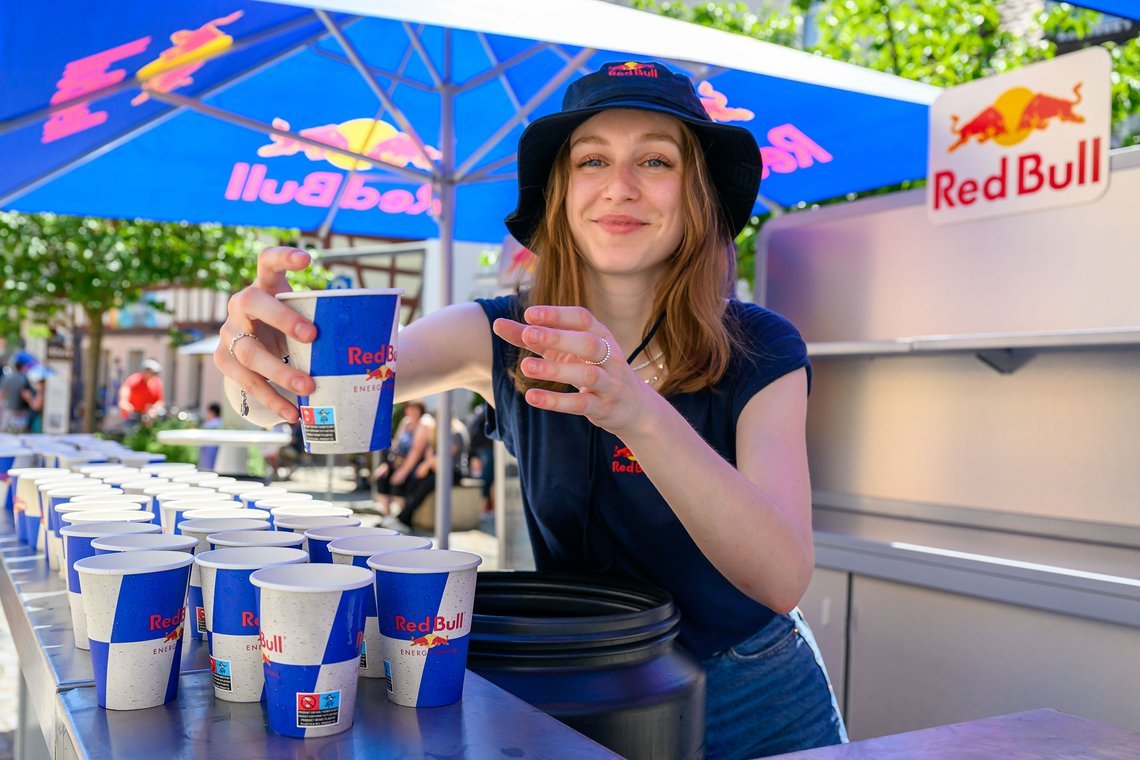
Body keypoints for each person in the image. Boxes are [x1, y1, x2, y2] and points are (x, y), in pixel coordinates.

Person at [216, 61, 845, 758]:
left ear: (696, 193)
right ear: (559, 193)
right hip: (578, 680)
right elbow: (321, 391)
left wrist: (637, 410)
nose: (620, 186)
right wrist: (256, 363)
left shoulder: (761, 347)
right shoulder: (496, 333)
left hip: (755, 691)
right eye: (592, 160)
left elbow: (781, 577)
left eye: (656, 160)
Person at [369, 400, 433, 515]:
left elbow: (416, 451)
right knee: (382, 479)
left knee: (399, 484)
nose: (412, 411)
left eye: (415, 408)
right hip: (399, 463)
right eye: (410, 408)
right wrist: (386, 465)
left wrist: (403, 471)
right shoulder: (405, 422)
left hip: (414, 465)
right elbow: (396, 445)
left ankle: (401, 516)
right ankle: (387, 515)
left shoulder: (423, 424)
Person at [118, 358, 164, 426]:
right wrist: (124, 402)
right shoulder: (135, 379)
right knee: (131, 433)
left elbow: (160, 401)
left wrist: (154, 409)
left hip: (147, 416)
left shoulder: (157, 383)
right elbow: (125, 389)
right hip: (132, 415)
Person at [0, 352, 37, 434]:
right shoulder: (25, 379)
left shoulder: (6, 378)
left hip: (8, 411)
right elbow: (26, 394)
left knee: (5, 436)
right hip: (21, 412)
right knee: (20, 436)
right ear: (23, 366)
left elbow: (1, 394)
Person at [198, 402, 224, 472]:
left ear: (212, 412)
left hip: (208, 449)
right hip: (220, 449)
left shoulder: (208, 425)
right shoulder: (222, 423)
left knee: (207, 469)